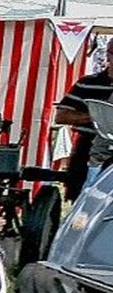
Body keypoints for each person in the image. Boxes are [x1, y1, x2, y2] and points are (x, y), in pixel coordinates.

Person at [52, 54, 113, 198]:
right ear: (108, 55)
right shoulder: (86, 83)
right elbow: (61, 116)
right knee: (82, 197)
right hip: (88, 146)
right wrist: (100, 117)